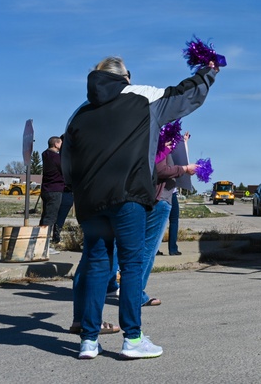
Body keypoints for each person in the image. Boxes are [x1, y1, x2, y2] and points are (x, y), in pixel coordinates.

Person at [62, 55, 218, 360]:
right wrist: (209, 71)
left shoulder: (79, 112)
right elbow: (186, 95)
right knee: (131, 265)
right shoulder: (143, 97)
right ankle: (132, 338)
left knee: (96, 264)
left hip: (90, 201)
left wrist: (80, 189)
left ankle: (89, 341)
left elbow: (68, 163)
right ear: (125, 77)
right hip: (128, 196)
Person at [140, 135, 197, 307]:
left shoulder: (151, 138)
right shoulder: (159, 140)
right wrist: (184, 169)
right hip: (160, 200)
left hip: (155, 198)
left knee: (142, 248)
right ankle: (136, 294)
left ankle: (125, 289)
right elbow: (160, 169)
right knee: (148, 250)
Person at [39, 136, 66, 244]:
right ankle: (44, 243)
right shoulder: (56, 158)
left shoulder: (45, 154)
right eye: (61, 143)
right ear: (56, 144)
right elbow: (64, 169)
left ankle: (40, 239)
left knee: (45, 215)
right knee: (50, 217)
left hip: (46, 189)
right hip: (55, 189)